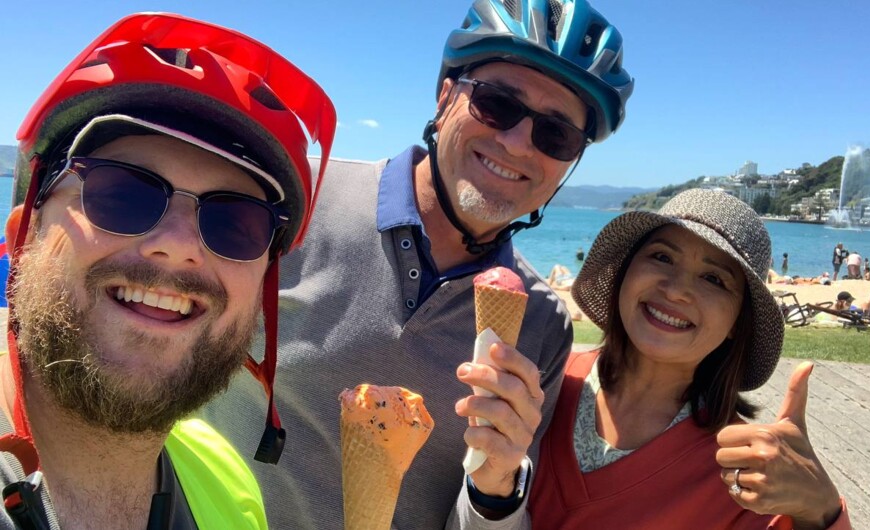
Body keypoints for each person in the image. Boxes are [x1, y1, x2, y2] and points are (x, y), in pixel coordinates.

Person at [202, 0, 635, 527]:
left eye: (556, 135)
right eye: (497, 104)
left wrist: (497, 489)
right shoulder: (295, 200)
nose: (518, 143)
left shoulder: (542, 322)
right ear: (445, 97)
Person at [0, 13, 335, 529]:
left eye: (235, 224)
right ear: (25, 238)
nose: (179, 248)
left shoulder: (228, 481)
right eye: (122, 194)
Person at [528, 189, 850, 529]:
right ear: (626, 270)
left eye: (713, 279)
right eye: (662, 257)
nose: (675, 290)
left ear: (737, 323)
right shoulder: (542, 379)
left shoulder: (743, 471)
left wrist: (821, 509)